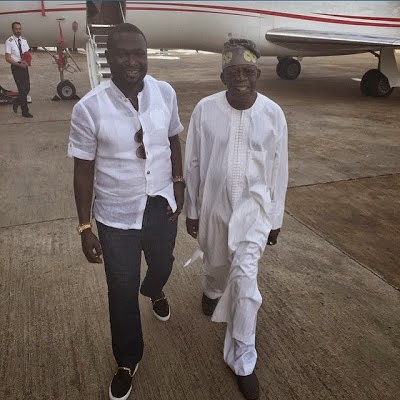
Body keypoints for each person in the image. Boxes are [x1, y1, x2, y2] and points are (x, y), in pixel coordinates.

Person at [68, 23, 184, 400]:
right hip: (116, 215)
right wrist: (85, 226)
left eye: (140, 54)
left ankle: (154, 288)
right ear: (109, 57)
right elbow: (83, 169)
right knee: (120, 291)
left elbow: (173, 137)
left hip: (161, 204)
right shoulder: (89, 108)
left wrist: (178, 182)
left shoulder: (165, 93)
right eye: (124, 54)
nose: (133, 61)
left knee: (163, 263)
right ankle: (127, 359)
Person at [184, 38, 288, 400]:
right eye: (233, 71)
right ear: (223, 76)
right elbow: (193, 163)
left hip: (254, 215)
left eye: (247, 71)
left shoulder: (273, 114)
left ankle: (242, 358)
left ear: (258, 73)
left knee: (245, 284)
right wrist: (192, 210)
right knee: (216, 263)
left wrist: (275, 217)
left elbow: (279, 169)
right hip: (214, 208)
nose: (240, 77)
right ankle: (212, 289)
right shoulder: (204, 110)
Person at [4, 22, 33, 118]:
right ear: (13, 29)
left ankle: (17, 101)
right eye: (16, 29)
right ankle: (25, 112)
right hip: (16, 67)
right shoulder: (9, 41)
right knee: (22, 90)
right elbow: (7, 58)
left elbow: (26, 53)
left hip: (24, 65)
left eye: (19, 29)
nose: (18, 31)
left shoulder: (24, 40)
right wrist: (19, 64)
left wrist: (27, 62)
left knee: (27, 88)